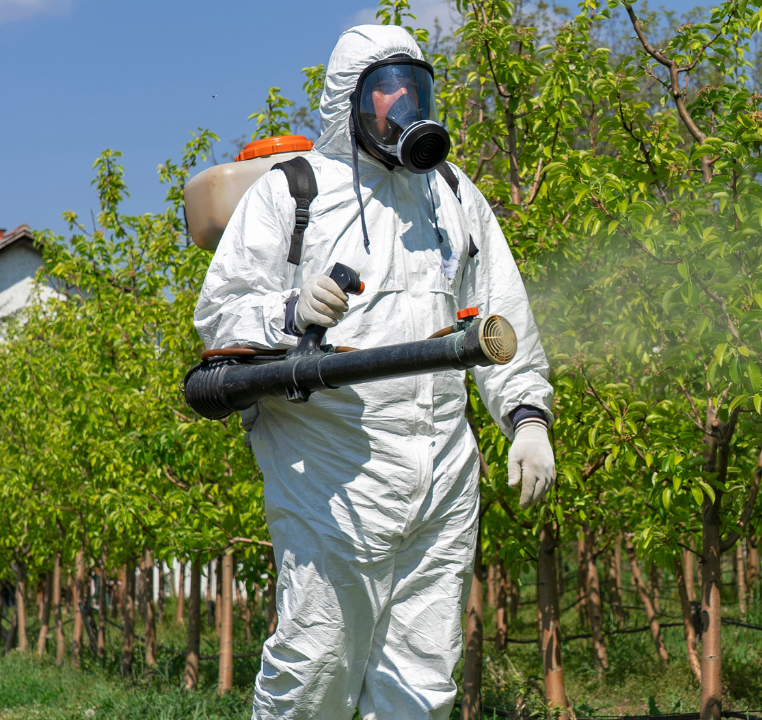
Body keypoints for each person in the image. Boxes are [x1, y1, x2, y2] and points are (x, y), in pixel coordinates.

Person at [193, 24, 556, 720]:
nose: (401, 103)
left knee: (422, 682)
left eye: (414, 86)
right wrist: (289, 309)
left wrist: (527, 417)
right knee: (317, 666)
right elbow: (219, 320)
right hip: (332, 471)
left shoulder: (451, 192)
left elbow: (501, 315)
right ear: (346, 103)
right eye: (384, 89)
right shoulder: (293, 191)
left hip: (444, 471)